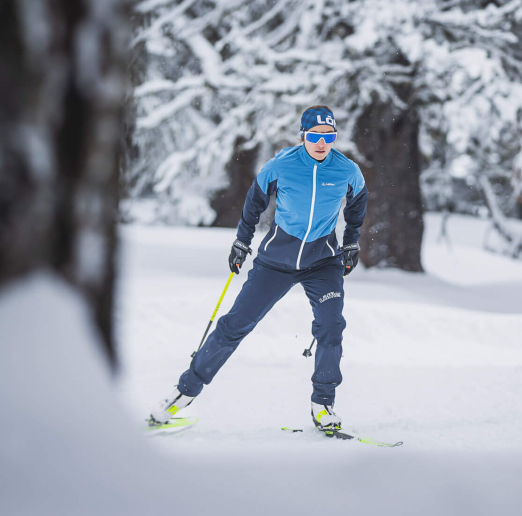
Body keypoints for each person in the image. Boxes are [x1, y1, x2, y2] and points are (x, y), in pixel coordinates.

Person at [147, 105, 368, 433]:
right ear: (303, 136)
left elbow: (357, 206)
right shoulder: (281, 165)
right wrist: (241, 242)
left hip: (323, 262)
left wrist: (350, 242)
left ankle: (323, 405)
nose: (322, 143)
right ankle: (183, 394)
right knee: (234, 325)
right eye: (315, 136)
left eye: (329, 136)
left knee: (331, 326)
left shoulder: (347, 171)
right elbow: (254, 204)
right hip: (275, 262)